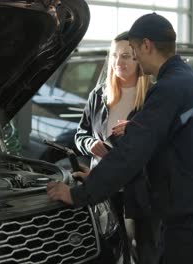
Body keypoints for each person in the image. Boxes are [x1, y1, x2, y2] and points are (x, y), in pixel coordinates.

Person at [47, 13, 193, 264]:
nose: (134, 58)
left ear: (147, 45)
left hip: (187, 220)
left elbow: (131, 154)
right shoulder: (192, 80)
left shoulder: (168, 88)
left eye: (132, 50)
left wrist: (78, 195)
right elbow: (170, 143)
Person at [74, 31, 160, 264]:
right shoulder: (99, 95)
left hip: (139, 193)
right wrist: (89, 143)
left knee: (143, 254)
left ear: (138, 60)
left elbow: (161, 143)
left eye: (126, 56)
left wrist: (135, 128)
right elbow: (80, 133)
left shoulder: (153, 97)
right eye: (114, 55)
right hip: (103, 189)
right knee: (106, 254)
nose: (118, 62)